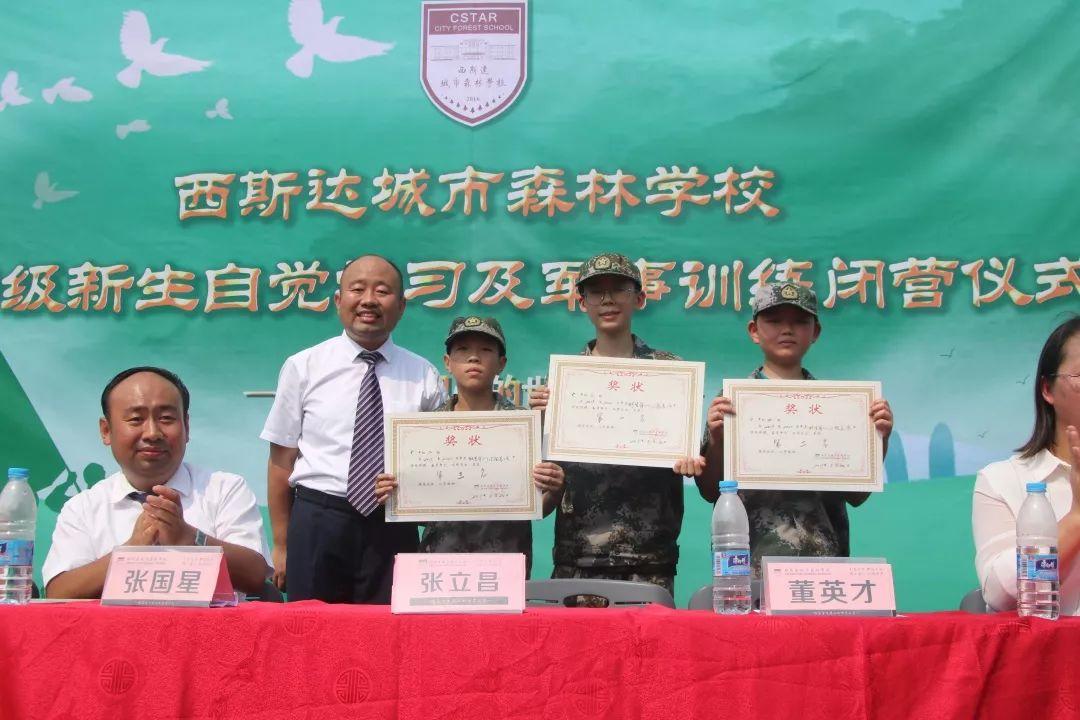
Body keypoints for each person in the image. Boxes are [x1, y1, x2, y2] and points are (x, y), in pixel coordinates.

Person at [261, 254, 445, 603]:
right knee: (311, 637)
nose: (369, 300)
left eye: (382, 291)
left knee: (390, 639)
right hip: (317, 518)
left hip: (392, 524)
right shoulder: (304, 366)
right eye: (357, 289)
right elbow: (281, 461)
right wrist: (282, 542)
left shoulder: (423, 375)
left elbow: (437, 463)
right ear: (338, 301)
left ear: (402, 305)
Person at [529, 252, 705, 597]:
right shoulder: (564, 382)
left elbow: (690, 451)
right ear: (582, 303)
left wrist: (689, 459)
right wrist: (541, 422)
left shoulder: (670, 370)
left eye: (619, 289)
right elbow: (543, 498)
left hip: (649, 560)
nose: (607, 300)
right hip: (577, 558)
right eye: (596, 292)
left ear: (639, 298)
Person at [696, 281, 894, 578]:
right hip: (748, 568)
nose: (786, 330)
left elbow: (857, 496)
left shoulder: (841, 408)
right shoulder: (730, 404)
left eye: (800, 322)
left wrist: (881, 438)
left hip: (824, 564)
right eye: (774, 321)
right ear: (753, 330)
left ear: (815, 332)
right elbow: (710, 490)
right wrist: (717, 440)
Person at [43, 367, 271, 599]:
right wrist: (130, 552)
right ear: (106, 430)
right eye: (136, 419)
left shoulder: (224, 489)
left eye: (166, 419)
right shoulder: (84, 507)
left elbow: (255, 576)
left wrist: (189, 539)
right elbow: (59, 592)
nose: (152, 433)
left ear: (187, 426)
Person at [374, 315, 564, 576]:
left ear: (501, 363)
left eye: (485, 350)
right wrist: (391, 495)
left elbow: (538, 508)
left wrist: (553, 489)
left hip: (504, 565)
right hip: (439, 566)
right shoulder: (423, 431)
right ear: (447, 363)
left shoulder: (523, 428)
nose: (474, 358)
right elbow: (418, 514)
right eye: (463, 350)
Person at [974, 316, 1080, 612]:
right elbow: (1000, 595)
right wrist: (1076, 517)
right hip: (1051, 653)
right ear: (1047, 389)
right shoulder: (1004, 481)